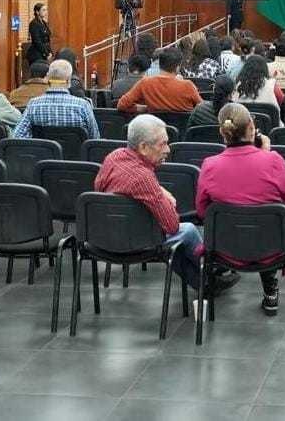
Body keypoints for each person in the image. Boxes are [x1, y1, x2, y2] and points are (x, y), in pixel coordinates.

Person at [95, 115, 232, 297]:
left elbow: (100, 187)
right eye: (163, 144)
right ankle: (211, 272)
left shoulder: (113, 157)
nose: (168, 149)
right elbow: (172, 225)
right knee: (187, 230)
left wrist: (158, 190)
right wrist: (163, 198)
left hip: (105, 236)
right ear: (143, 147)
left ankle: (206, 283)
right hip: (135, 243)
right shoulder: (143, 178)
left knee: (175, 242)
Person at [196, 103, 285, 316]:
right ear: (252, 128)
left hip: (224, 248)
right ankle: (270, 289)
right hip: (272, 247)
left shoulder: (209, 164)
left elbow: (201, 210)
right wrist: (266, 155)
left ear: (222, 132)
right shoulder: (272, 160)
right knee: (267, 222)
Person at [12, 60, 100, 139]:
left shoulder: (33, 105)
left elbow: (17, 136)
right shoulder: (83, 106)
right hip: (77, 157)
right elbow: (95, 139)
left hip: (43, 156)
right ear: (69, 82)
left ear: (47, 79)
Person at [117, 47, 203, 115]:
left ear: (159, 63)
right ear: (177, 67)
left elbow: (121, 105)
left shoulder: (145, 83)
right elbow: (202, 109)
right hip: (184, 135)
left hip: (154, 134)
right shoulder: (188, 86)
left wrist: (146, 108)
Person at [25, 2, 52, 66]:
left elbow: (47, 40)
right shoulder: (34, 23)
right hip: (36, 54)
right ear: (37, 12)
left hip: (44, 53)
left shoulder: (44, 23)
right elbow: (37, 41)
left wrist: (50, 52)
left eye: (46, 10)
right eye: (43, 10)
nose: (46, 12)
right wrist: (46, 53)